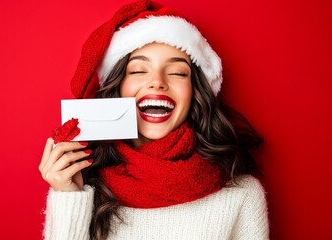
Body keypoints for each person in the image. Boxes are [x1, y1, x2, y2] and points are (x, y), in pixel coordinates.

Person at [39, 0, 269, 239]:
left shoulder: (241, 194)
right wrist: (69, 198)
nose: (157, 81)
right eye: (139, 70)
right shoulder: (84, 185)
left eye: (177, 72)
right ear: (117, 88)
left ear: (196, 92)